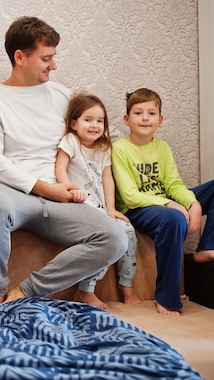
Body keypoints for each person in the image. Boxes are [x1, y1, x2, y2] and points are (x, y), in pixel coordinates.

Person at [0, 16, 128, 304]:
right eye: (47, 58)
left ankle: (26, 291)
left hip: (60, 195)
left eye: (53, 57)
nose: (53, 65)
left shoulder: (62, 94)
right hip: (10, 193)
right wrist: (45, 188)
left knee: (115, 238)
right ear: (20, 57)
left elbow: (99, 133)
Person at [112, 87, 214, 315]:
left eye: (151, 114)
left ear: (160, 120)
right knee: (174, 217)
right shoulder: (120, 149)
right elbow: (130, 196)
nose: (145, 118)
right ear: (126, 119)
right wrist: (170, 204)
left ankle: (211, 246)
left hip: (164, 200)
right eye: (138, 113)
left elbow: (173, 185)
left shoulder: (162, 147)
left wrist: (194, 204)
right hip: (138, 208)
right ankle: (168, 297)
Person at [55, 93, 141, 309]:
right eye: (88, 119)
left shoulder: (105, 147)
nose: (94, 125)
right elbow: (60, 168)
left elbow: (107, 179)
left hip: (101, 209)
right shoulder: (71, 141)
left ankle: (126, 284)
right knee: (106, 238)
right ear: (74, 123)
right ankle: (86, 290)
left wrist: (111, 209)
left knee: (127, 231)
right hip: (80, 207)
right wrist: (69, 188)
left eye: (100, 121)